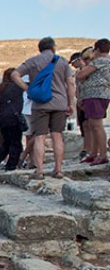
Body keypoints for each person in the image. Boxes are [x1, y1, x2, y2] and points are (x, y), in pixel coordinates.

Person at [11, 37, 76, 179]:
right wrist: (70, 103)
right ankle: (58, 169)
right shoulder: (63, 61)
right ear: (53, 47)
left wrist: (27, 88)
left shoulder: (33, 61)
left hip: (40, 103)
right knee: (57, 135)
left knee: (39, 136)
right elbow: (70, 83)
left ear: (40, 48)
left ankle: (39, 170)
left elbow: (14, 74)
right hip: (59, 103)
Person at [76, 38, 110, 171]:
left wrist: (82, 67)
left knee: (96, 125)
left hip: (96, 95)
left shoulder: (100, 61)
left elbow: (81, 75)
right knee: (92, 124)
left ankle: (102, 154)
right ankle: (94, 153)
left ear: (97, 50)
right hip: (96, 95)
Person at [0, 68, 25, 171]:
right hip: (13, 118)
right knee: (15, 143)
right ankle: (11, 165)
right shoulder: (16, 86)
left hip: (2, 119)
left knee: (6, 143)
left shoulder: (2, 88)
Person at [70, 50, 89, 160]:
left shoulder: (88, 70)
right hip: (80, 100)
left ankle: (89, 149)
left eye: (73, 62)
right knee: (83, 126)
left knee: (90, 125)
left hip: (87, 99)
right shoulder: (77, 72)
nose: (72, 65)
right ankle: (85, 148)